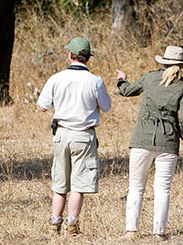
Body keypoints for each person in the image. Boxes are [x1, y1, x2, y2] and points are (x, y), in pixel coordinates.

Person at [115, 46, 183, 241]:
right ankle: (159, 232)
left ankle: (131, 231)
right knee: (162, 188)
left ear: (163, 62)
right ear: (181, 65)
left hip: (142, 137)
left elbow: (126, 91)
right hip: (168, 141)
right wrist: (181, 132)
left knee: (136, 187)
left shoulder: (150, 78)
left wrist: (121, 79)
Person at [37, 36, 112, 236]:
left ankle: (54, 224)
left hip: (61, 133)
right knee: (78, 184)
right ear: (88, 57)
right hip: (84, 135)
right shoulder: (95, 80)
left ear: (70, 55)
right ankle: (72, 225)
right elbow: (106, 106)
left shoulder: (56, 78)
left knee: (60, 183)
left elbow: (42, 106)